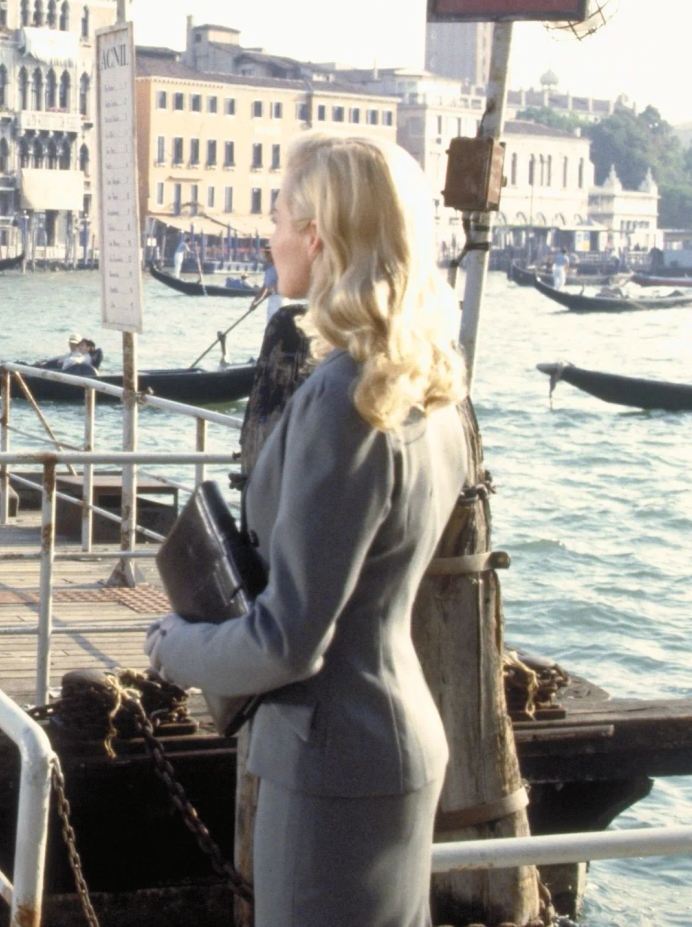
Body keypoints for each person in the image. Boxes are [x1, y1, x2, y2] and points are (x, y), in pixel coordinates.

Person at [145, 133, 469, 927]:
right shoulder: (431, 388)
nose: (269, 232)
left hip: (332, 760)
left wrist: (170, 647)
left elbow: (291, 639)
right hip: (391, 739)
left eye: (279, 213)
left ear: (318, 235)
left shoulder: (343, 398)